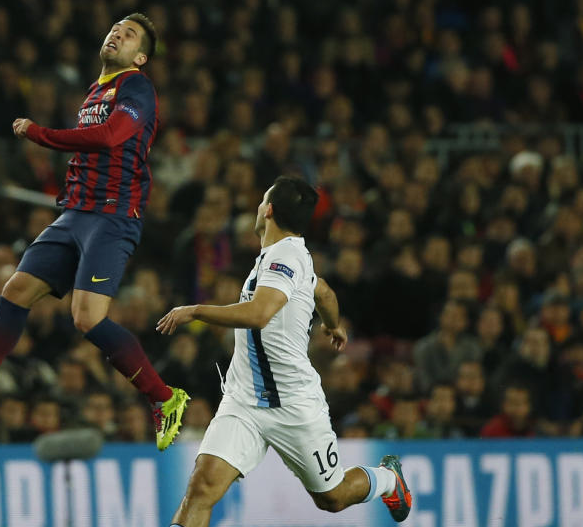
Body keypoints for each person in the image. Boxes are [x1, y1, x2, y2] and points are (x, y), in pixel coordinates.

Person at [0, 14, 189, 450]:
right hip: (75, 213)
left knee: (86, 318)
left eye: (130, 33)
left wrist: (40, 135)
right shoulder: (96, 90)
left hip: (112, 216)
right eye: (116, 27)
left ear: (140, 56)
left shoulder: (136, 86)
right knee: (16, 289)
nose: (117, 32)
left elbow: (110, 136)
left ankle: (166, 397)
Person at [156, 177, 412, 526]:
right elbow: (323, 292)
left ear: (269, 210)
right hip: (244, 401)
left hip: (294, 405)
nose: (258, 207)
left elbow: (259, 315)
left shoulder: (284, 258)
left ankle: (387, 479)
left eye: (262, 201)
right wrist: (332, 324)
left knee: (333, 497)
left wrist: (196, 310)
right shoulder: (289, 256)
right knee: (202, 487)